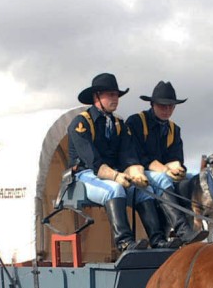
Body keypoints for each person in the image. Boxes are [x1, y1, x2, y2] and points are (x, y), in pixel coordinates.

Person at [66, 72, 167, 252]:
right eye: (111, 94)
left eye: (116, 95)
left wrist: (136, 174)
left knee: (145, 191)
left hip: (114, 175)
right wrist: (115, 176)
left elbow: (128, 156)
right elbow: (93, 161)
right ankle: (124, 241)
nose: (116, 99)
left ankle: (158, 240)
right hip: (84, 176)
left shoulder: (119, 124)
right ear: (97, 96)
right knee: (115, 189)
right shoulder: (81, 123)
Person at [124, 81, 206, 248]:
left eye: (171, 107)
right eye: (163, 106)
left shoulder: (174, 129)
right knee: (162, 179)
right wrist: (164, 169)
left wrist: (178, 169)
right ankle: (182, 230)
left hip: (163, 173)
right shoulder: (136, 122)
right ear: (152, 104)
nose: (167, 110)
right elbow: (135, 155)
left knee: (196, 179)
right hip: (138, 172)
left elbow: (176, 157)